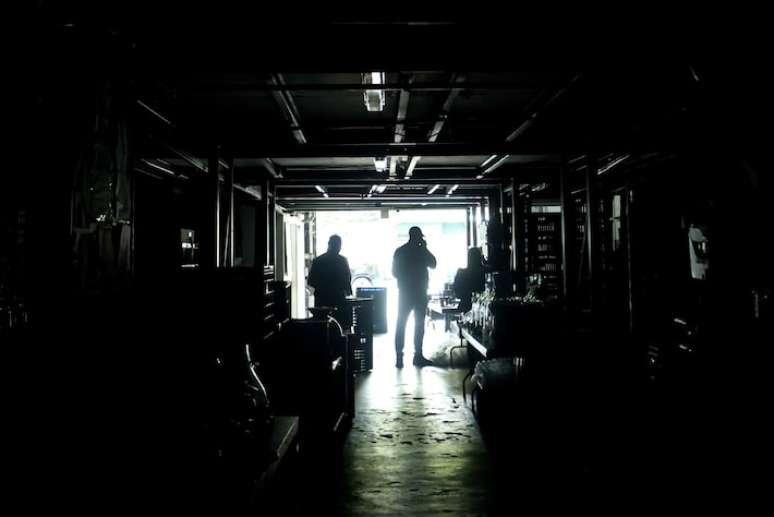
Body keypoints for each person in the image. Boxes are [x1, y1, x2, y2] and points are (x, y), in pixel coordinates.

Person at [392, 226, 437, 368]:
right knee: (418, 324)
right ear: (418, 237)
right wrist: (425, 249)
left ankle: (399, 357)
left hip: (405, 292)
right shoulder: (421, 251)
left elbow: (394, 272)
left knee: (401, 324)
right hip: (419, 292)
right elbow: (433, 264)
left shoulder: (400, 251)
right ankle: (418, 356)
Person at [308, 235, 352, 323]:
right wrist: (347, 291)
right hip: (338, 299)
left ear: (329, 244)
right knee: (339, 327)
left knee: (322, 326)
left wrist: (322, 288)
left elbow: (311, 281)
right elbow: (347, 279)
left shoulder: (318, 261)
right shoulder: (342, 261)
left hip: (321, 300)